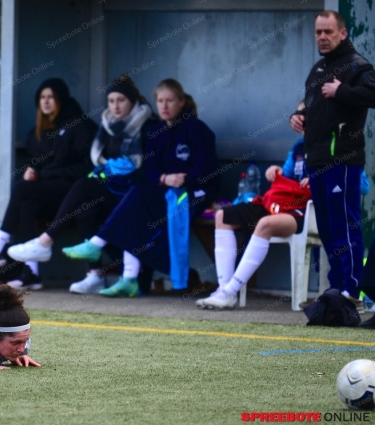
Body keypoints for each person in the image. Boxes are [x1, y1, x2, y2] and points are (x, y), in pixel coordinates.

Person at [62, 78, 219, 297]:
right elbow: (150, 170)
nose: (164, 106)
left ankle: (101, 245)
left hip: (195, 192)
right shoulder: (157, 132)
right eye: (160, 101)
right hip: (165, 189)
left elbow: (206, 170)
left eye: (170, 101)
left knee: (137, 199)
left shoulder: (197, 130)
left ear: (181, 102)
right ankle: (128, 278)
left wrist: (182, 180)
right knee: (135, 201)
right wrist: (165, 178)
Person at [5, 74, 159, 294]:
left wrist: (117, 170)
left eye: (121, 100)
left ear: (133, 102)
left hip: (136, 192)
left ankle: (44, 241)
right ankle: (95, 275)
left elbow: (147, 167)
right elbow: (101, 162)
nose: (115, 106)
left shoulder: (147, 126)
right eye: (111, 101)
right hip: (116, 189)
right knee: (86, 209)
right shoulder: (108, 126)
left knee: (83, 185)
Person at [196, 137, 369, 309]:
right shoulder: (299, 146)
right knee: (222, 216)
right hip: (282, 204)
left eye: (305, 117)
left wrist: (322, 180)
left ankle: (230, 291)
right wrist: (275, 171)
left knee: (265, 224)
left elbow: (363, 186)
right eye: (297, 117)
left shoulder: (338, 145)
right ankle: (223, 289)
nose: (299, 122)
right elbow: (287, 177)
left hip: (309, 211)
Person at [0, 78, 98, 290]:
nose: (46, 102)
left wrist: (43, 172)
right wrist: (33, 170)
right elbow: (39, 162)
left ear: (61, 99)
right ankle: (31, 273)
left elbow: (84, 169)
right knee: (27, 203)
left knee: (22, 189)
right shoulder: (37, 133)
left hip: (74, 193)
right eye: (42, 97)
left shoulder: (78, 126)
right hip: (52, 197)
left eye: (51, 97)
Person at [290, 10, 375, 301]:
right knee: (327, 228)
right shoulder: (318, 69)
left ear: (343, 33)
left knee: (345, 226)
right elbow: (310, 101)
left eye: (328, 31)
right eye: (318, 32)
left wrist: (343, 92)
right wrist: (299, 114)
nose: (322, 37)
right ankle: (336, 287)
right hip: (316, 160)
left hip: (344, 161)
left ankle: (351, 289)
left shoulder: (357, 66)